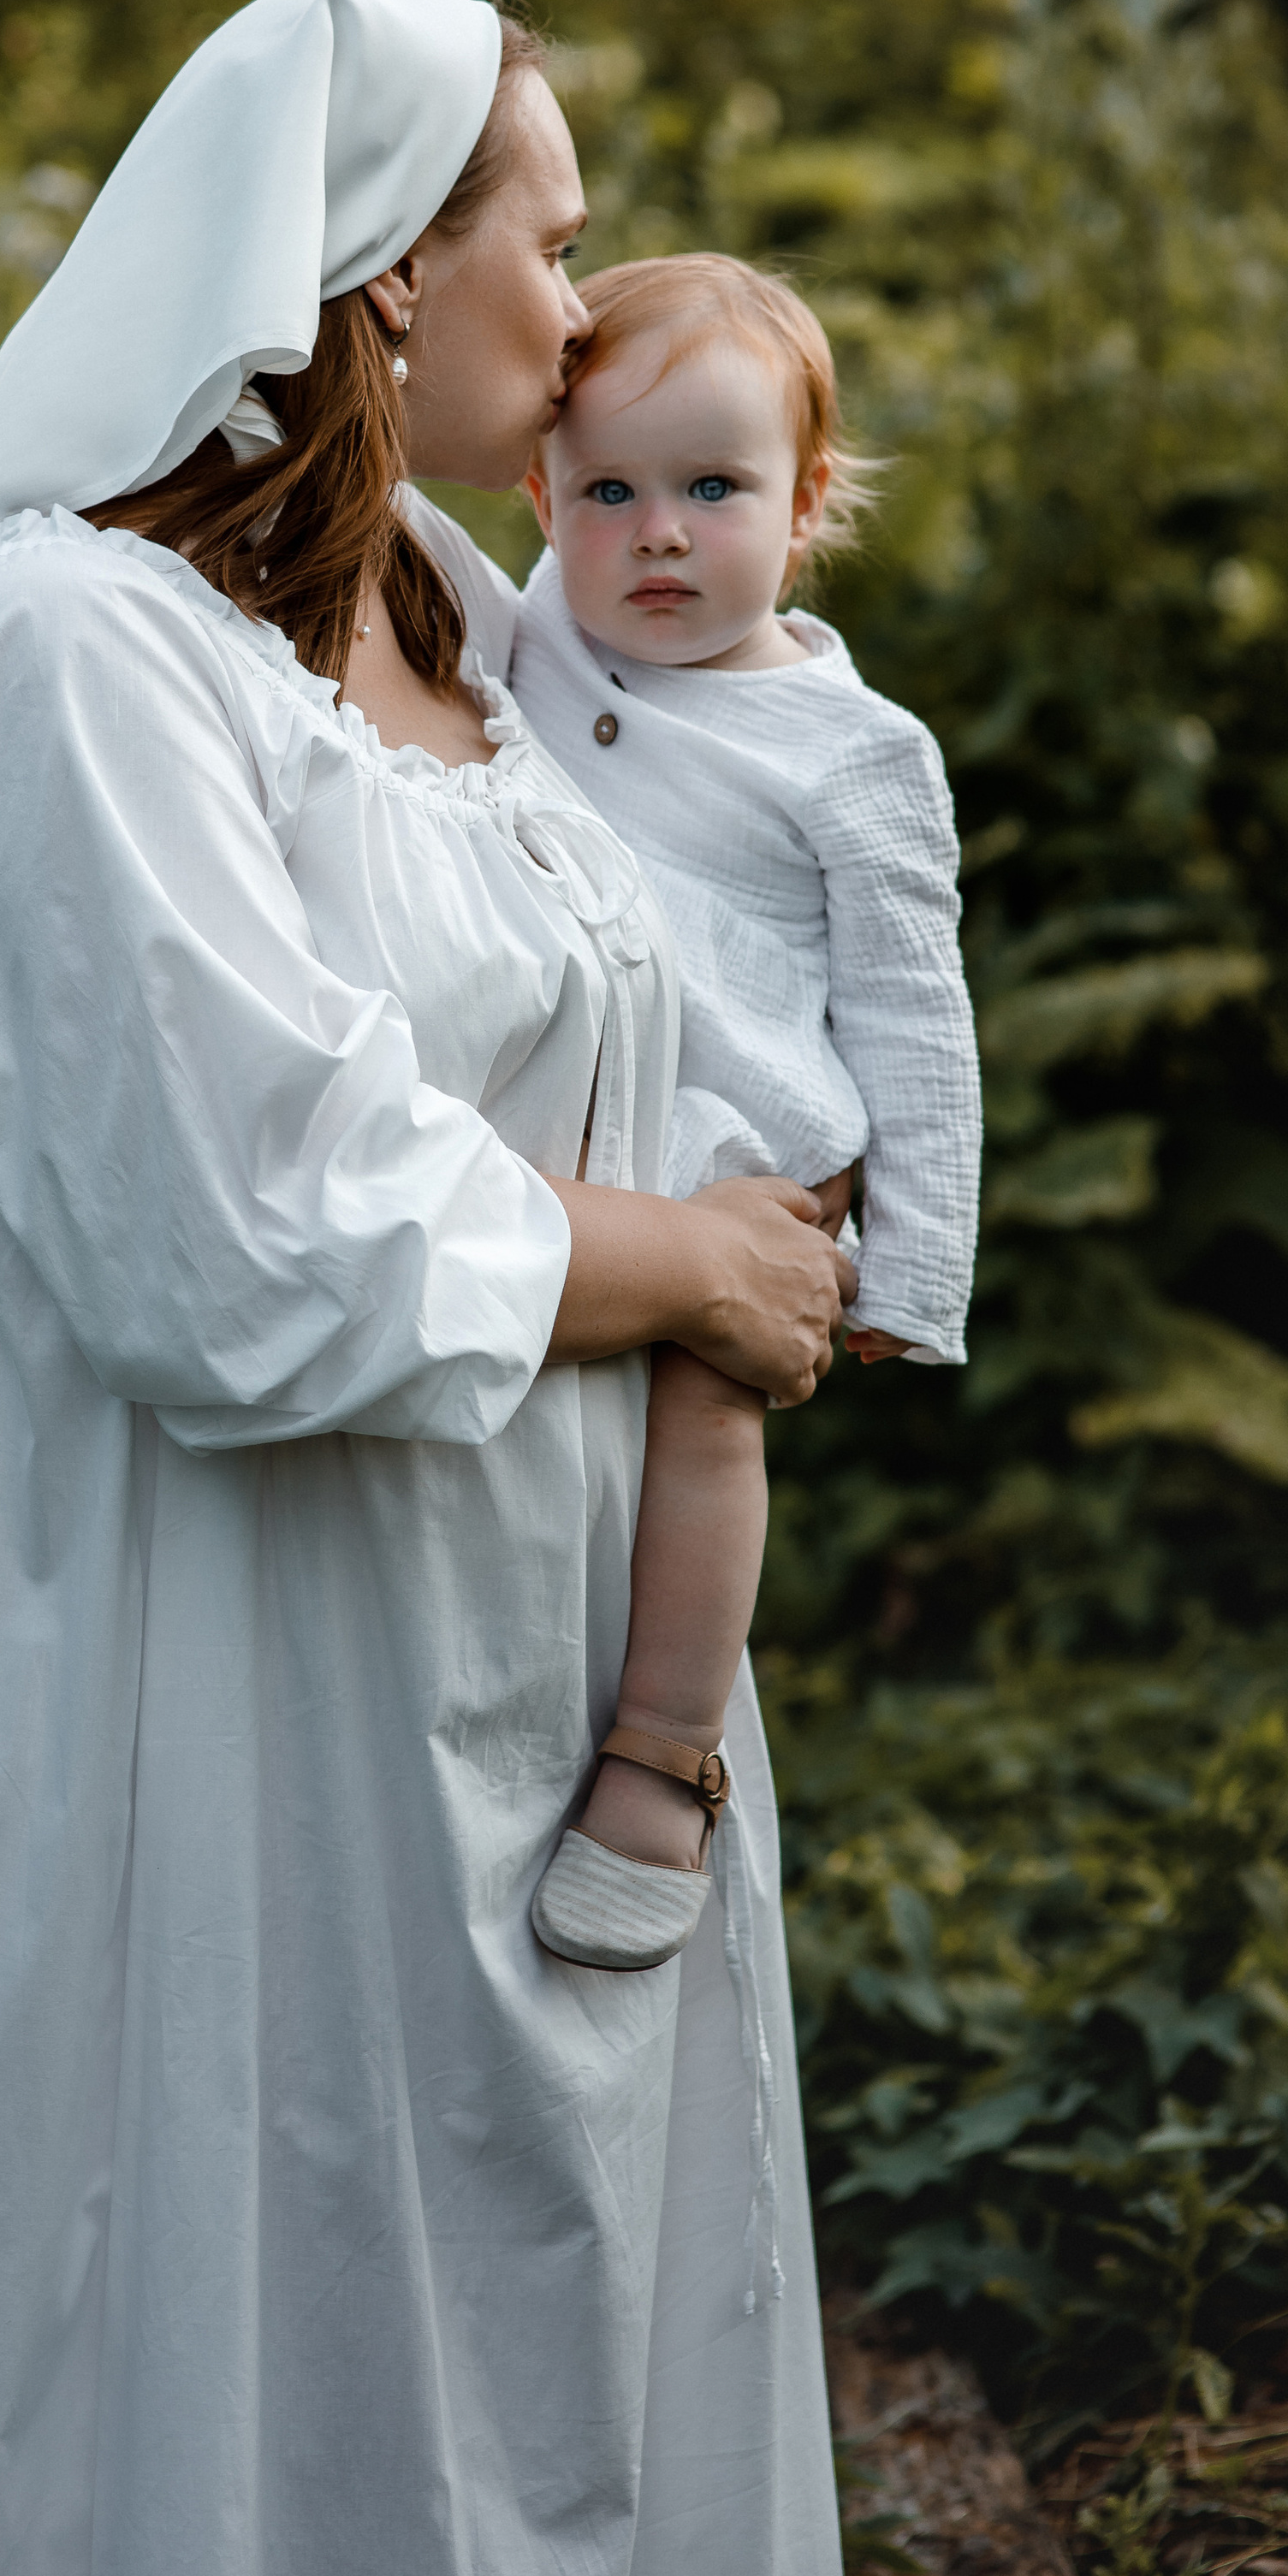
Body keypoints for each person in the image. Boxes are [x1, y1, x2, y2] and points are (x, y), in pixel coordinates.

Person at [0, 0, 854, 2576]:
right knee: (275, 2342)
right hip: (259, 1698)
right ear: (391, 269)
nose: (596, 308)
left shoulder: (459, 603)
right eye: (562, 236)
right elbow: (240, 1218)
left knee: (572, 2337)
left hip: (559, 1650)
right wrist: (696, 1270)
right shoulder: (82, 649)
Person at [510, 255, 981, 1972]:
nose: (653, 535)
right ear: (540, 498)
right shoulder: (528, 631)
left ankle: (658, 1754)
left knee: (705, 1421)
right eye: (607, 490)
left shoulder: (853, 751)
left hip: (740, 1153)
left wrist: (910, 1273)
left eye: (711, 489)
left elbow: (915, 1020)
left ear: (802, 512)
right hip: (558, 1141)